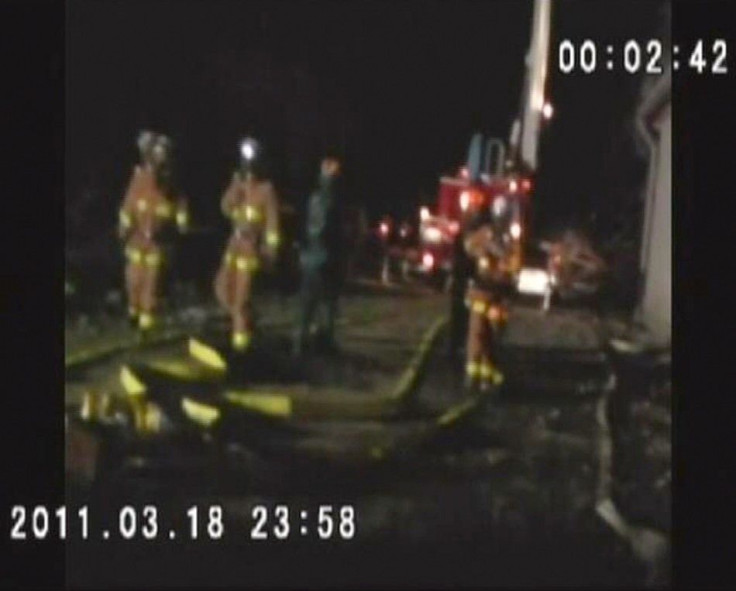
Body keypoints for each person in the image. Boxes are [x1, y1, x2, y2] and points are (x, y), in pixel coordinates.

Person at [214, 137, 280, 352]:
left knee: (241, 298)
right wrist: (236, 187)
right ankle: (244, 322)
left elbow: (272, 225)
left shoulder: (266, 190)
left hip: (251, 250)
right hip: (234, 245)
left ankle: (240, 346)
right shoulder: (239, 185)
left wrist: (269, 252)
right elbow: (225, 207)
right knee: (222, 290)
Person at [118, 131, 187, 334]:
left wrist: (180, 224)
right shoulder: (139, 178)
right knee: (133, 278)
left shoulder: (171, 183)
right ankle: (133, 310)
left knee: (152, 279)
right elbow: (128, 205)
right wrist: (124, 228)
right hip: (137, 237)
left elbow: (180, 204)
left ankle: (147, 320)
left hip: (158, 240)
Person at [293, 152, 346, 357]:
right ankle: (318, 344)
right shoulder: (327, 200)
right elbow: (323, 230)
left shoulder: (315, 199)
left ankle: (302, 343)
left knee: (308, 304)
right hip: (323, 259)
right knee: (324, 304)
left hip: (311, 259)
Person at [462, 194, 514, 392]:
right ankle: (475, 376)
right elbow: (469, 246)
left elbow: (511, 267)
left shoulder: (507, 240)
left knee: (490, 336)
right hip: (484, 294)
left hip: (496, 296)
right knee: (479, 335)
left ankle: (486, 377)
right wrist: (485, 249)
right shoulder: (487, 235)